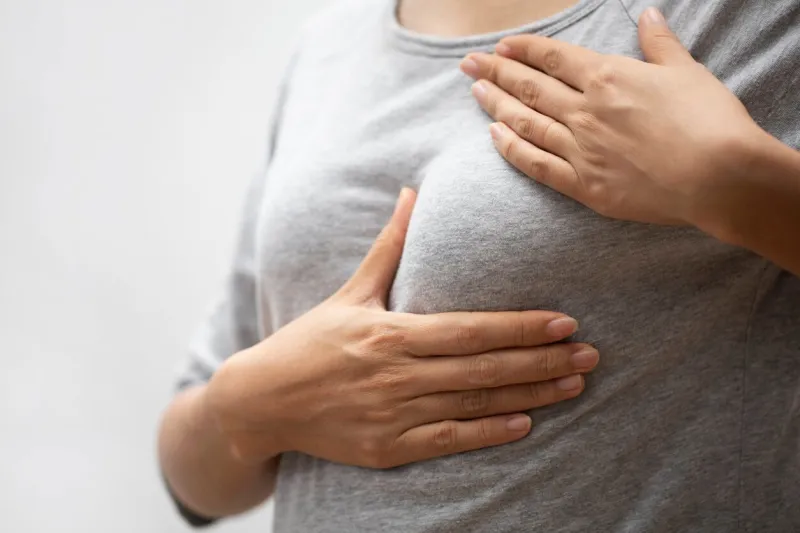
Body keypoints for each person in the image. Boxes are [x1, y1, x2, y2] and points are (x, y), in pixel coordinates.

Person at [158, 0, 800, 531]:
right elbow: (194, 477)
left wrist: (734, 185)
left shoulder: (750, 18)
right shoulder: (330, 45)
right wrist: (243, 411)